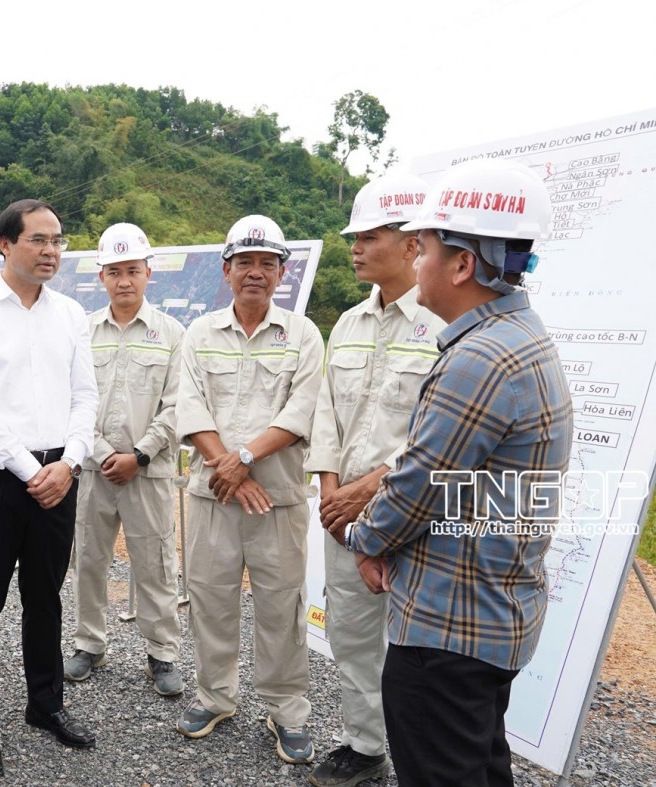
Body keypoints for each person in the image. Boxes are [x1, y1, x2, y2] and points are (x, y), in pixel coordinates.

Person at [345, 159, 573, 786]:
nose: (415, 263)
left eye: (424, 248)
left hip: (448, 632)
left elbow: (417, 484)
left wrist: (363, 539)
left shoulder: (481, 359)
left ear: (463, 264)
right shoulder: (518, 337)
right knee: (477, 767)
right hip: (491, 615)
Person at [0, 199, 99, 778]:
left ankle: (46, 704)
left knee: (45, 597)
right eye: (38, 240)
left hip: (61, 474)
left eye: (57, 240)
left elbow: (86, 395)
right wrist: (28, 469)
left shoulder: (71, 316)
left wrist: (70, 462)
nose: (52, 251)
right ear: (5, 244)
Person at [305, 172, 443, 787]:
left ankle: (426, 757)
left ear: (413, 243)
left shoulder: (447, 324)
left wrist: (369, 492)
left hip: (416, 512)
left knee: (420, 648)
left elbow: (441, 434)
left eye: (370, 236)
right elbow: (328, 415)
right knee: (353, 633)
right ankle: (365, 745)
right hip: (345, 513)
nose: (356, 247)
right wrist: (333, 491)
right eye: (354, 237)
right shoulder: (351, 323)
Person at [174, 214, 323, 766]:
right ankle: (216, 695)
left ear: (283, 270)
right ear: (227, 270)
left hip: (278, 499)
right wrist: (228, 469)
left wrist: (243, 459)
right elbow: (189, 406)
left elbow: (302, 409)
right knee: (210, 599)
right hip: (213, 494)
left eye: (267, 263)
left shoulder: (302, 335)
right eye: (245, 263)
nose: (255, 272)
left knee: (281, 606)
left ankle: (286, 710)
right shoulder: (200, 334)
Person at [63, 222, 185, 697]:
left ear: (148, 272)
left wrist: (139, 453)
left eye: (132, 270)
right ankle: (89, 643)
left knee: (153, 563)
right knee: (89, 560)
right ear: (101, 277)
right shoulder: (83, 332)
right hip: (93, 471)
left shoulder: (171, 333)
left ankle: (162, 654)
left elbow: (178, 405)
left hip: (148, 473)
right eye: (114, 272)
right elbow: (71, 397)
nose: (124, 281)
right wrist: (99, 451)